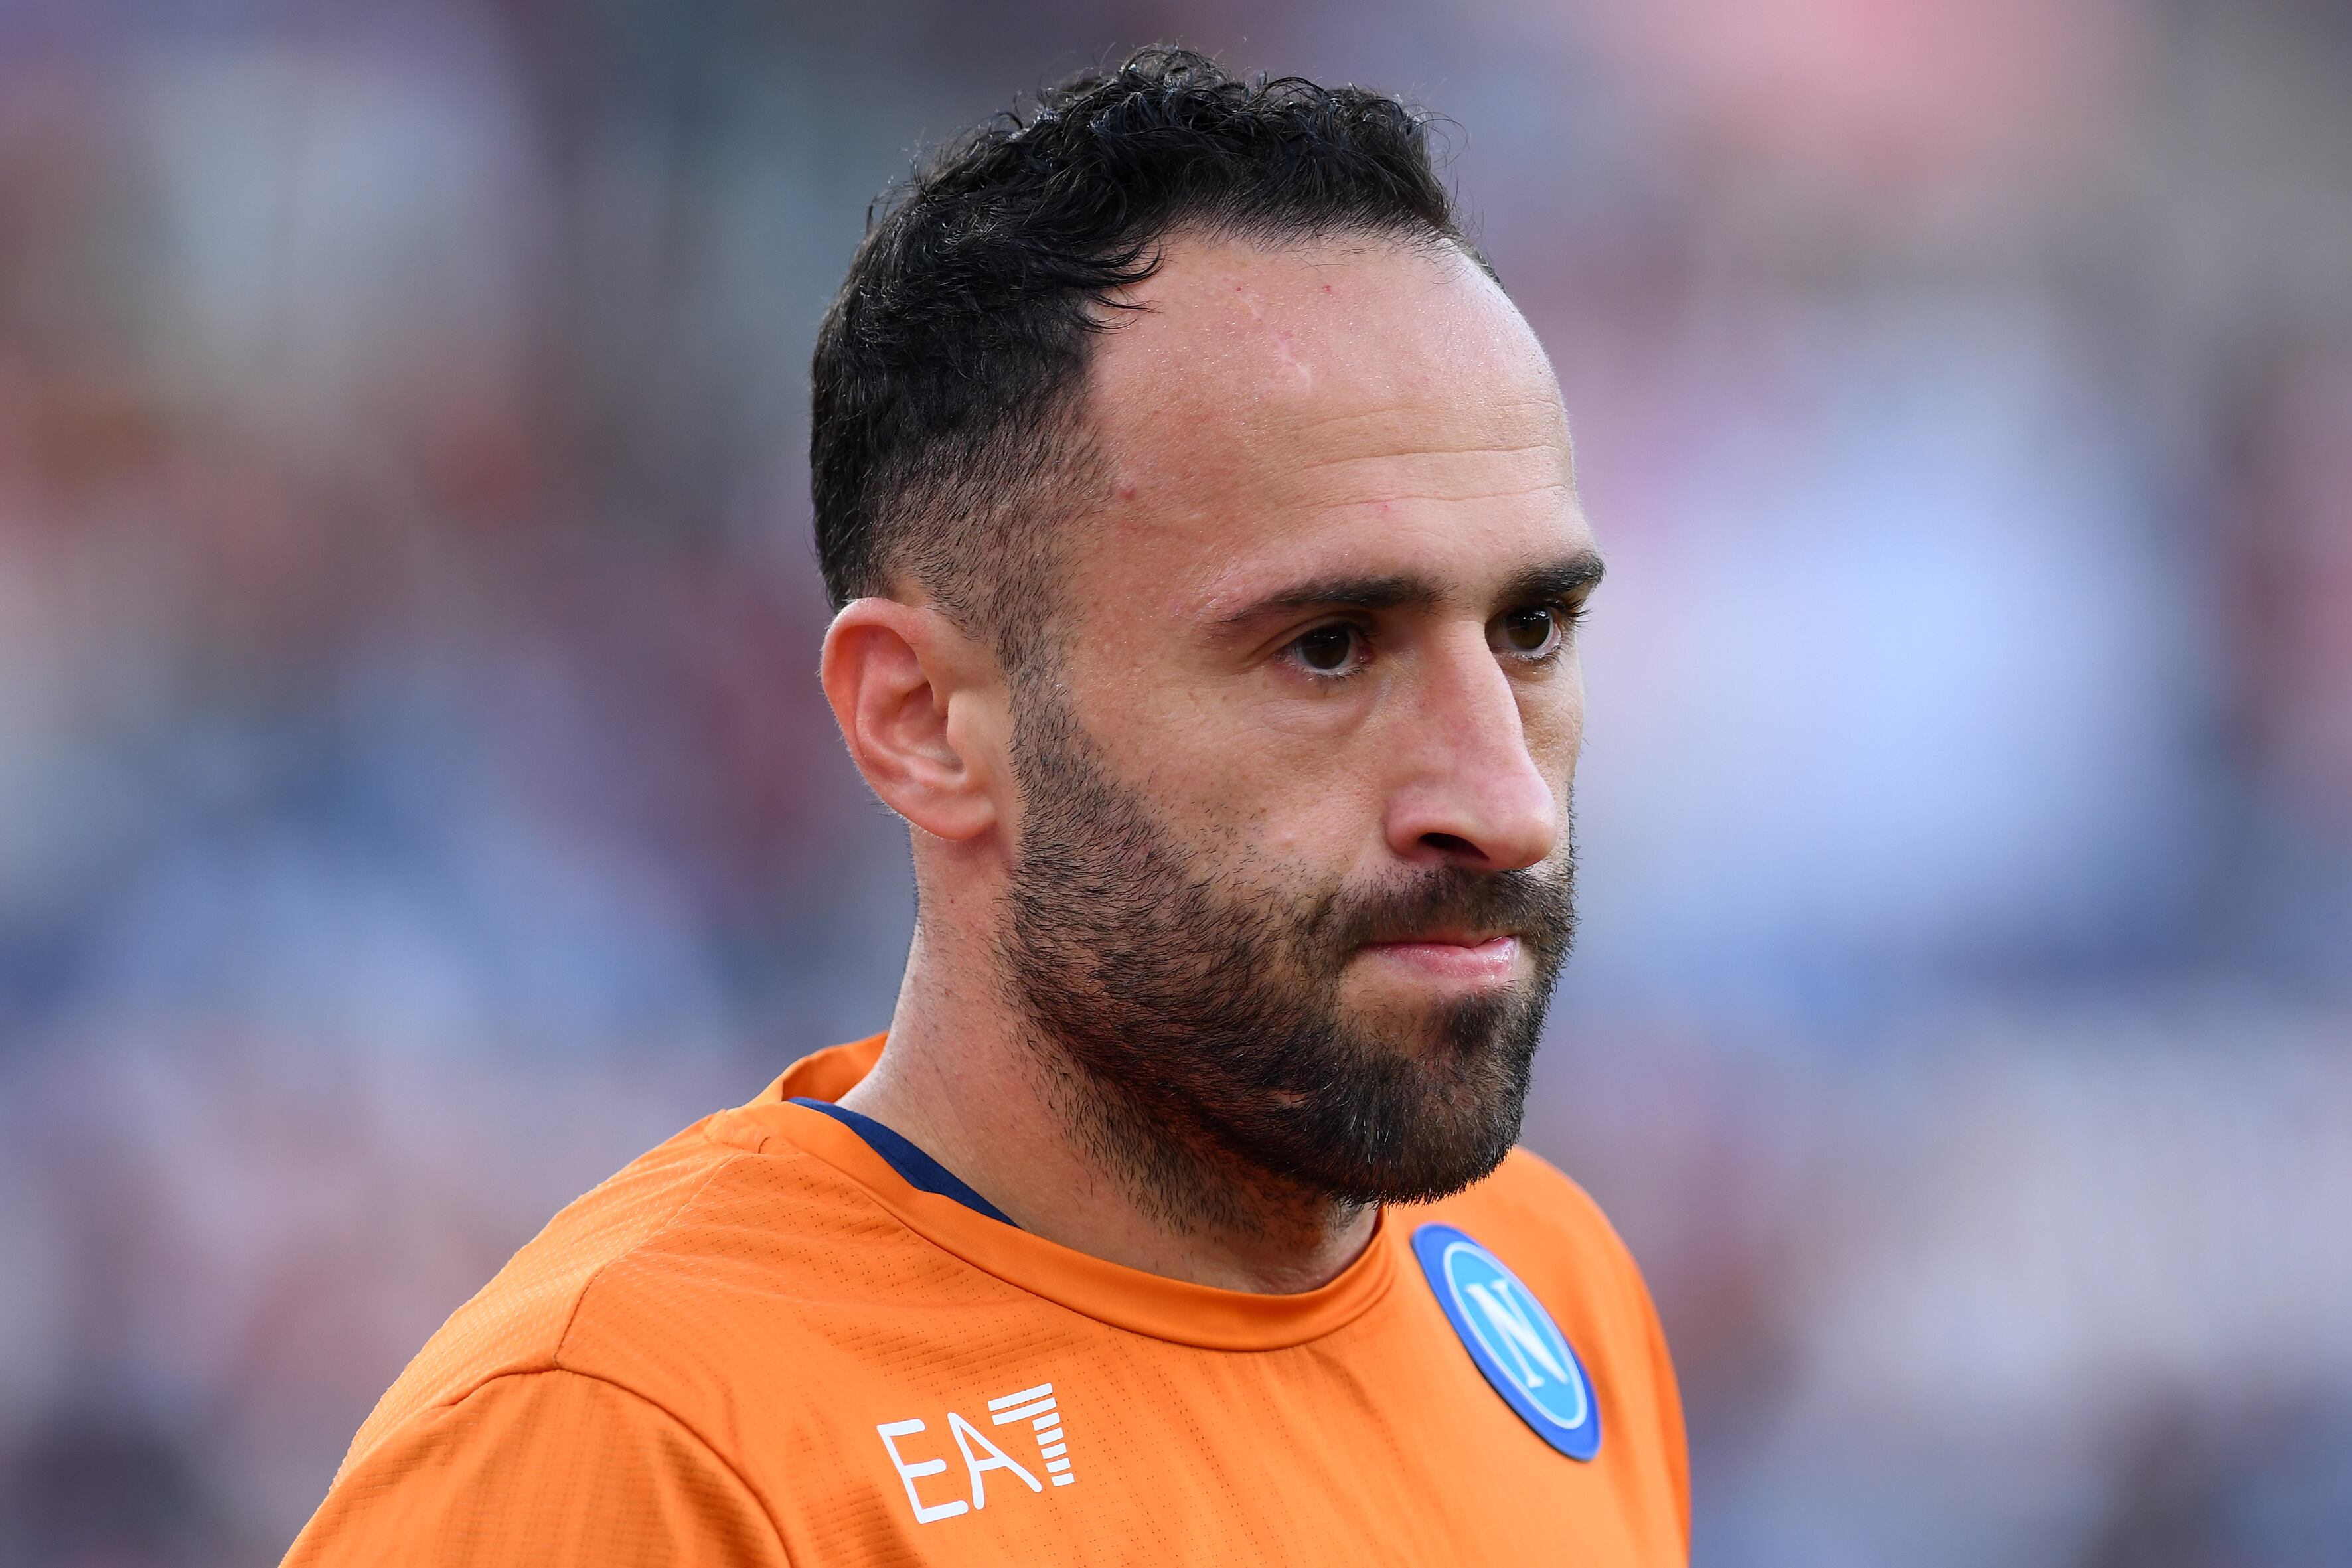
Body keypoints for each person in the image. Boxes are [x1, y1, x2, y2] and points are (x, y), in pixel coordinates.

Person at [284, 46, 1688, 1566]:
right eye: (1325, 647)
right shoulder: (634, 1445)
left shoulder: (1545, 1286)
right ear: (924, 722)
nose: (1501, 802)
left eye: (1529, 630)